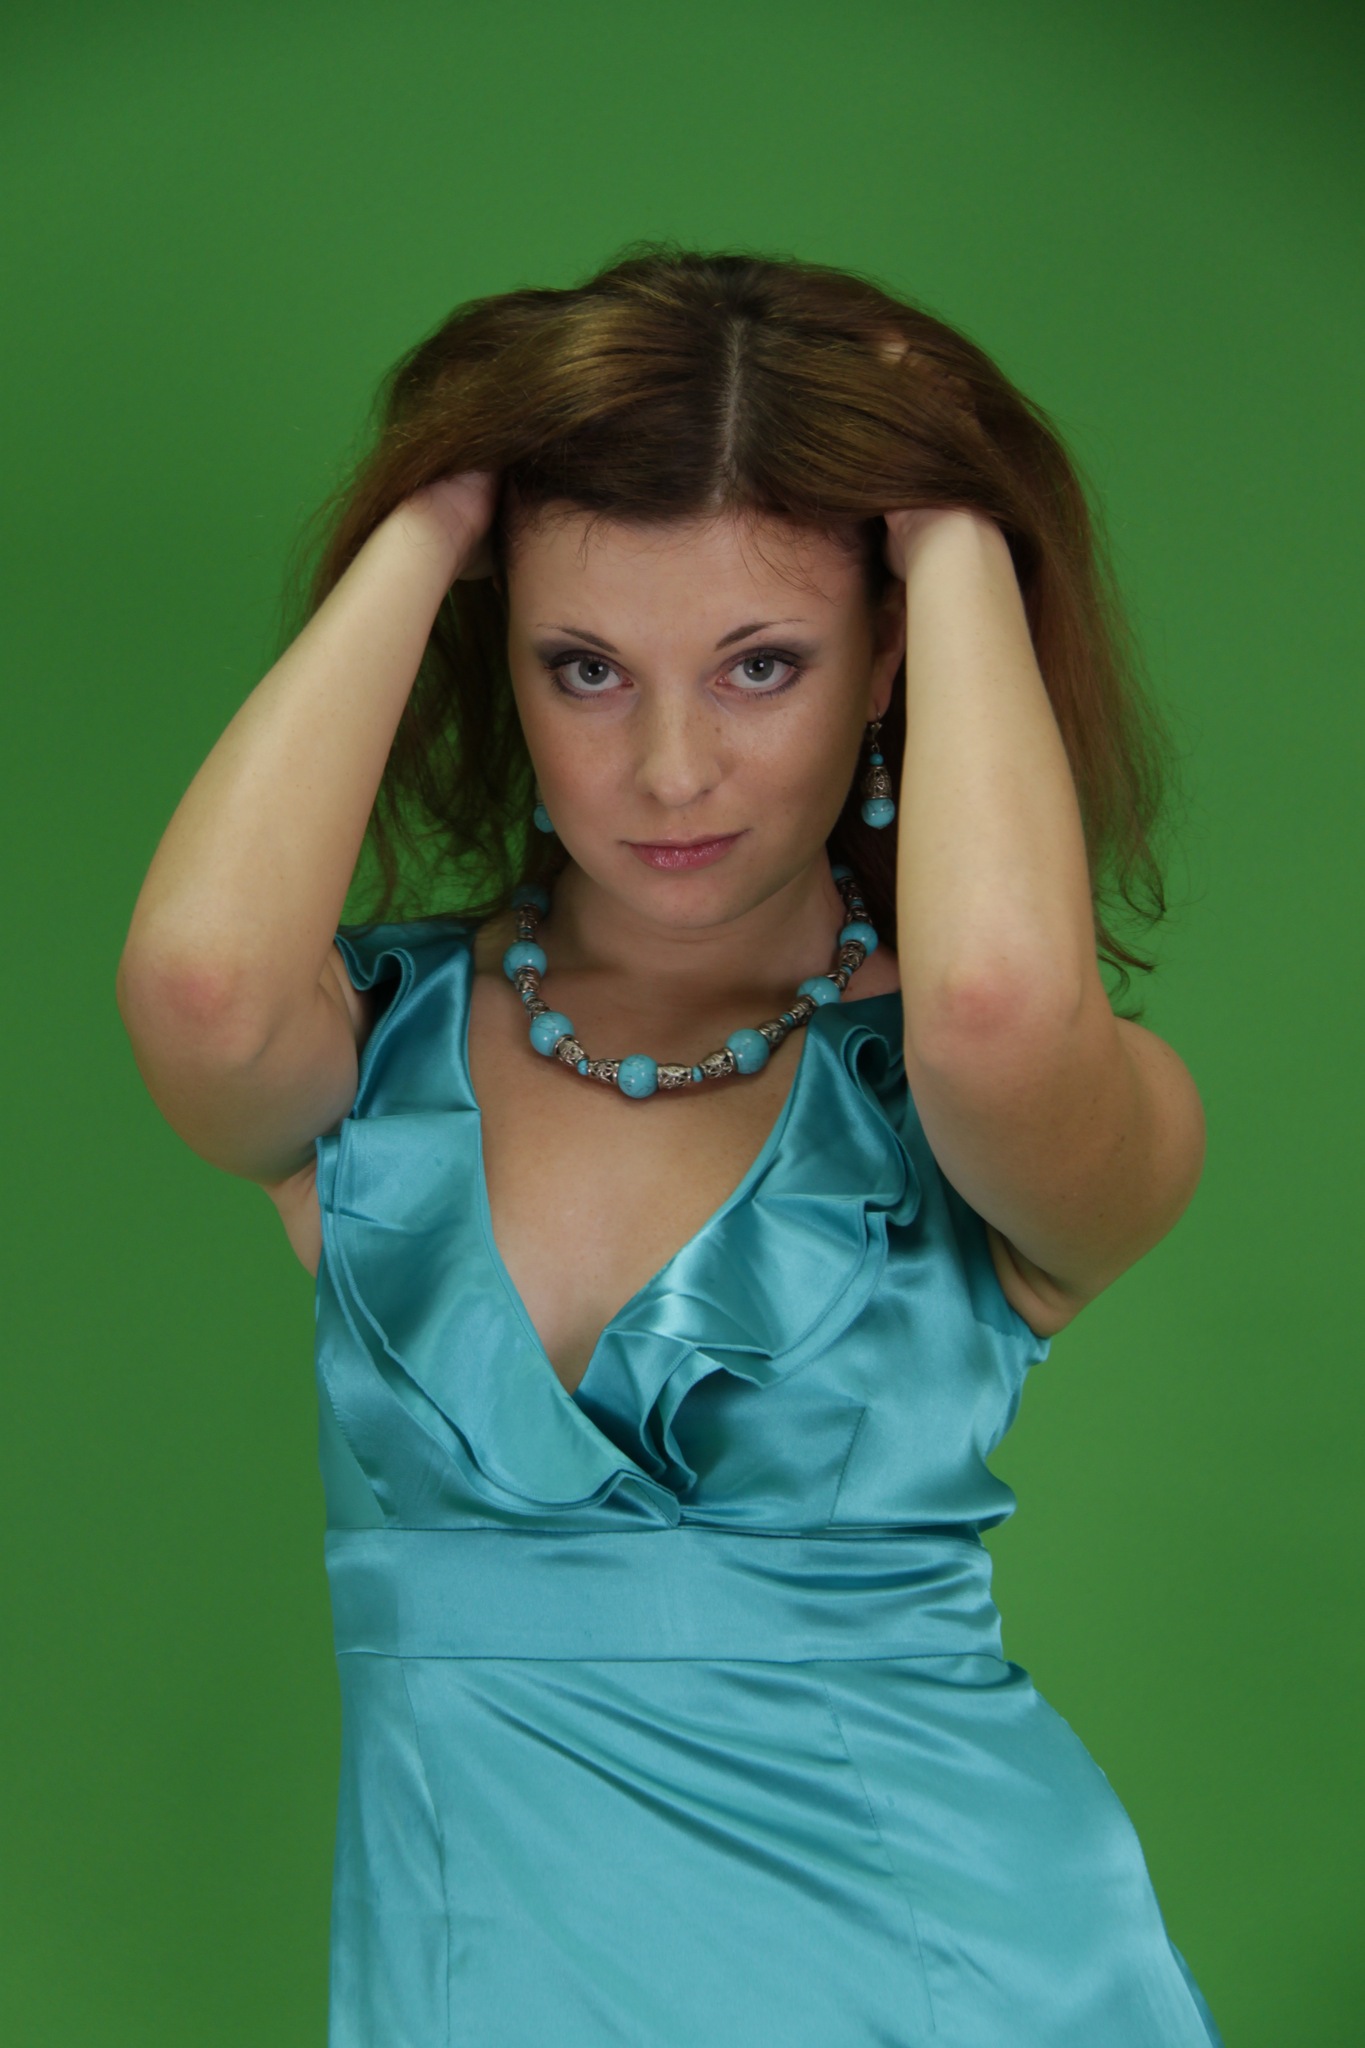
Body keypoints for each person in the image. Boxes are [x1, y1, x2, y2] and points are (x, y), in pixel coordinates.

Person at [116, 245, 1220, 2045]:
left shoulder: (1019, 1102)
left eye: (761, 664)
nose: (671, 768)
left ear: (887, 663)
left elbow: (998, 1002)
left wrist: (951, 529)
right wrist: (436, 510)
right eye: (586, 668)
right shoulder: (372, 1055)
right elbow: (196, 983)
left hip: (949, 1981)